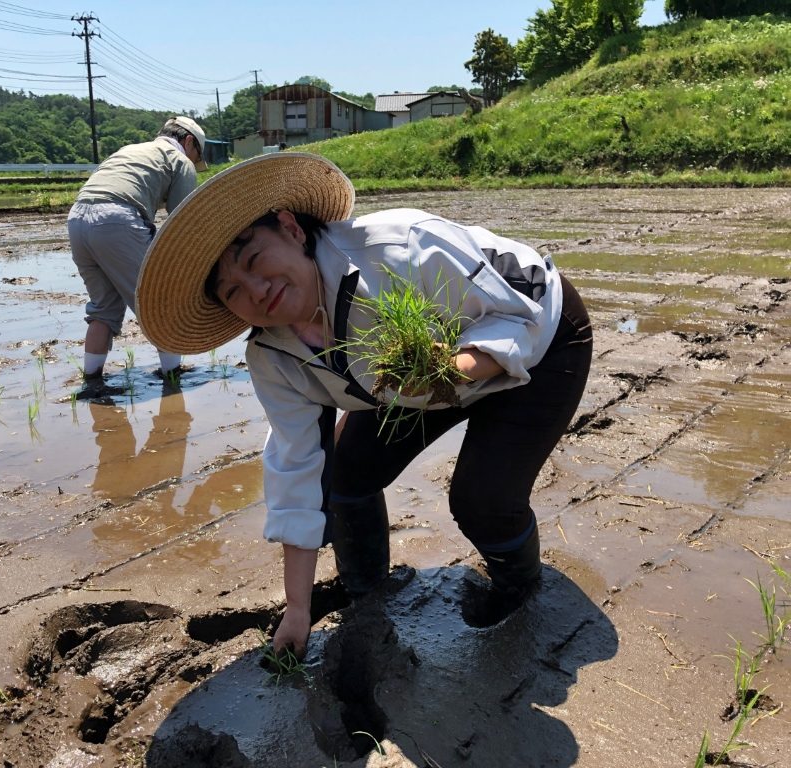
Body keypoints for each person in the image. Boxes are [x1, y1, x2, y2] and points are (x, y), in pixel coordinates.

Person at [136, 153, 593, 657]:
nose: (257, 291)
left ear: (290, 228)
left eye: (253, 261)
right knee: (346, 474)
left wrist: (453, 370)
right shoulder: (274, 357)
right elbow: (297, 470)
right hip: (417, 378)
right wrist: (297, 608)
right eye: (232, 290)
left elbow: (520, 308)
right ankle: (367, 599)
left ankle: (518, 586)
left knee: (481, 500)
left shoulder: (398, 248)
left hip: (540, 335)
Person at [67, 115, 208, 399]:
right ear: (188, 141)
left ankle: (92, 381)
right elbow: (182, 219)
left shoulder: (131, 149)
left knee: (103, 309)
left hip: (78, 218)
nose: (193, 162)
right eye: (196, 156)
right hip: (117, 220)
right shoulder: (178, 159)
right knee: (158, 303)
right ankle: (172, 374)